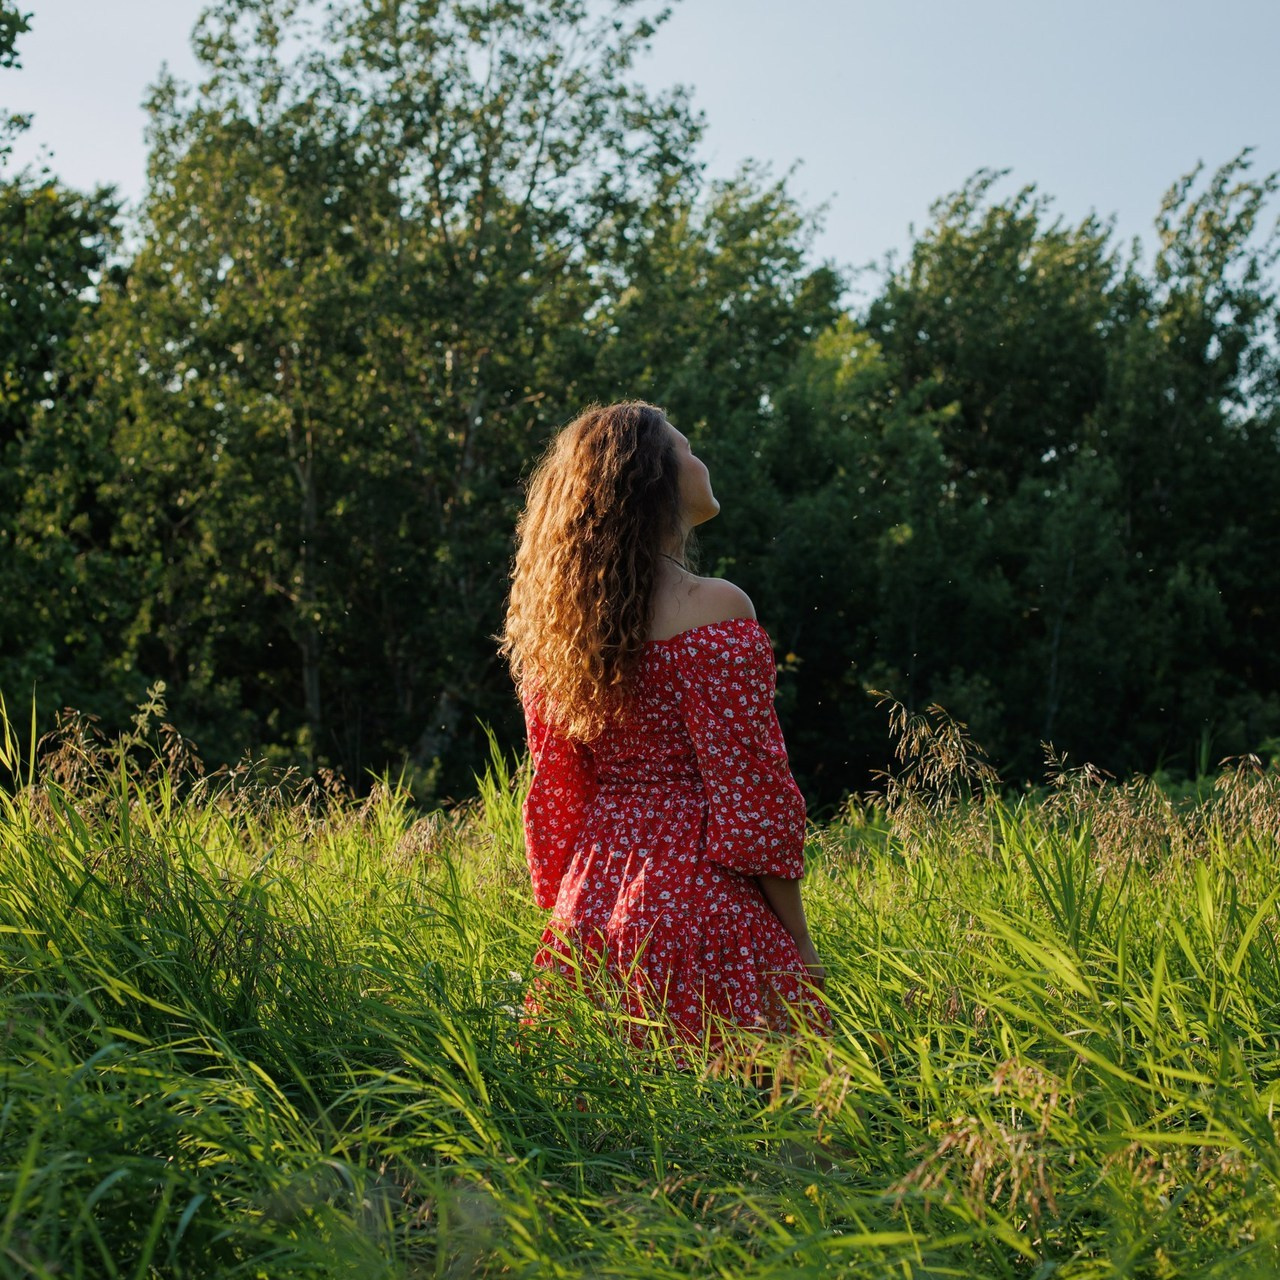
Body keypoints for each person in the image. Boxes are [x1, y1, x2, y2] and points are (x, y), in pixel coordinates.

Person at [498, 400, 828, 1053]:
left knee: (606, 1111)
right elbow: (752, 793)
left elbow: (558, 789)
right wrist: (799, 940)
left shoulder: (564, 632)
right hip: (701, 903)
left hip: (592, 903)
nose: (702, 460)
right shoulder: (717, 608)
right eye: (687, 448)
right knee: (760, 1101)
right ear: (654, 479)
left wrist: (572, 904)